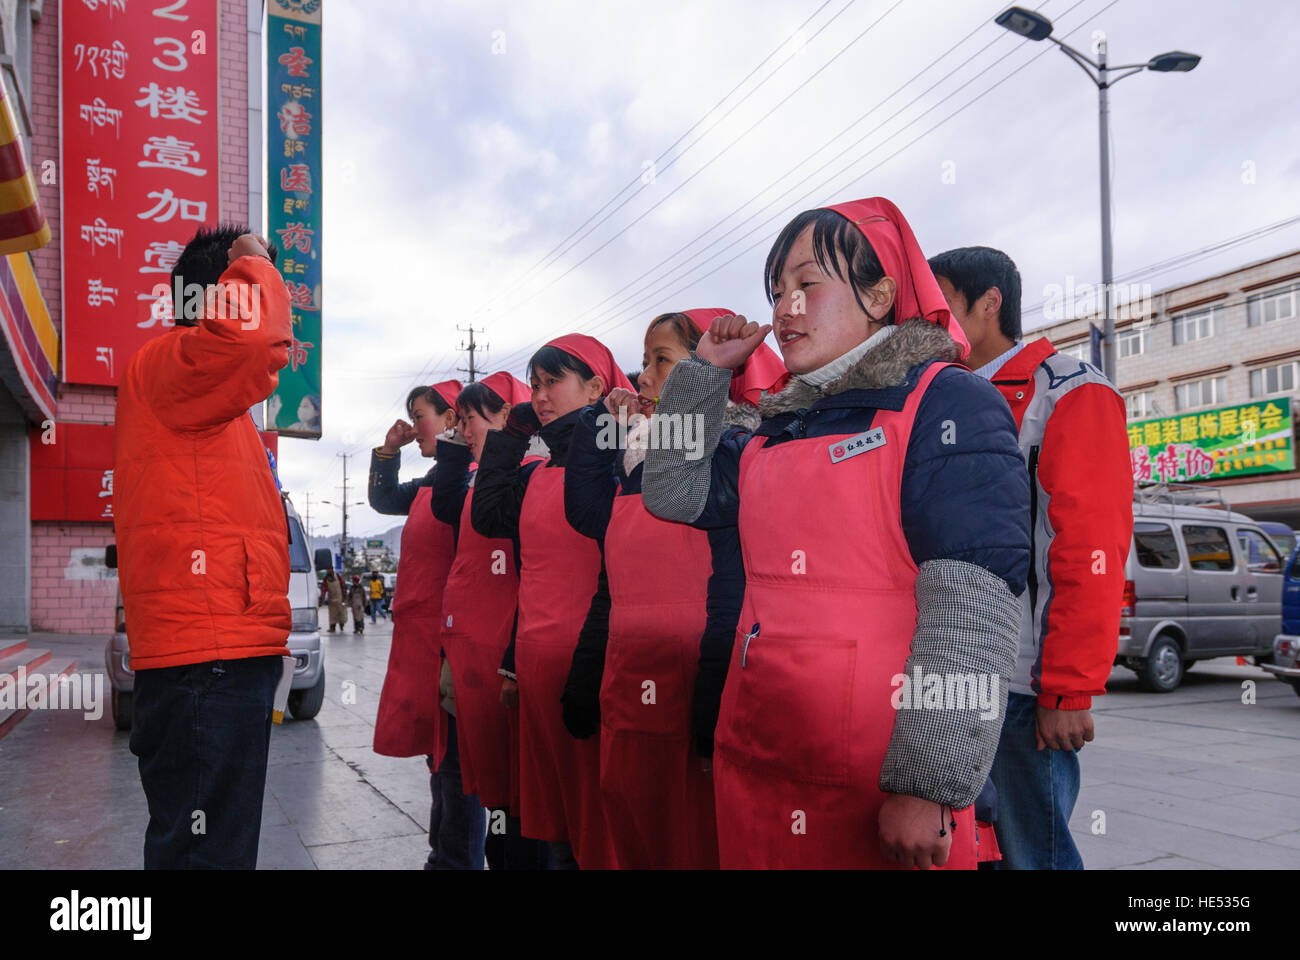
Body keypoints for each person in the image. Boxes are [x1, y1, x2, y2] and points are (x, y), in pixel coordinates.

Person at [642, 197, 1031, 869]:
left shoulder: (947, 402)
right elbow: (673, 492)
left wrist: (927, 784)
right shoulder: (778, 423)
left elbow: (972, 606)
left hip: (877, 785)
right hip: (760, 766)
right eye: (776, 291)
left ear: (880, 294)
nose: (784, 308)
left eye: (807, 284)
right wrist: (702, 374)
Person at [928, 245, 1132, 870]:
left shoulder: (1067, 391)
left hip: (1021, 684)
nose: (928, 322)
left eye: (941, 307)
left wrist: (1067, 689)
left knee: (1031, 854)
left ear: (988, 305)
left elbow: (1089, 548)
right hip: (941, 675)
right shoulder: (936, 398)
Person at [562, 308, 787, 868]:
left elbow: (733, 594)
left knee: (692, 839)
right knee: (637, 832)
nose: (642, 377)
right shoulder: (638, 456)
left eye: (660, 361)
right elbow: (591, 524)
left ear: (716, 370)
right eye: (643, 362)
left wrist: (711, 710)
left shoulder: (733, 453)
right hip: (630, 684)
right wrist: (599, 431)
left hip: (690, 691)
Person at [114, 224, 292, 868]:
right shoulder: (175, 363)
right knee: (206, 855)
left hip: (217, 652)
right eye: (253, 274)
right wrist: (252, 259)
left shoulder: (199, 389)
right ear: (220, 292)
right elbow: (254, 342)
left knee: (211, 848)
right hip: (206, 659)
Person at [471, 335, 634, 869]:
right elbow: (488, 516)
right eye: (535, 385)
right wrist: (509, 437)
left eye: (553, 383)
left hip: (589, 668)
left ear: (596, 387)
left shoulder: (621, 461)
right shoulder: (536, 472)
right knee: (557, 825)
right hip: (538, 671)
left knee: (595, 827)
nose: (540, 396)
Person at [431, 371, 549, 870]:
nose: (463, 429)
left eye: (471, 419)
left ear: (507, 417)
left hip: (509, 650)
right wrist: (457, 449)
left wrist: (513, 661)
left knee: (518, 793)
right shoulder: (481, 477)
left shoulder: (529, 474)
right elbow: (446, 505)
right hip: (471, 650)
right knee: (485, 782)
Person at [368, 379, 487, 869]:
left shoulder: (474, 480)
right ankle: (444, 856)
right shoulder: (432, 482)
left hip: (452, 643)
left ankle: (454, 861)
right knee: (439, 763)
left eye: (421, 416)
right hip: (423, 643)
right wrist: (386, 451)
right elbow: (383, 499)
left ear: (453, 417)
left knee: (458, 766)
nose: (415, 427)